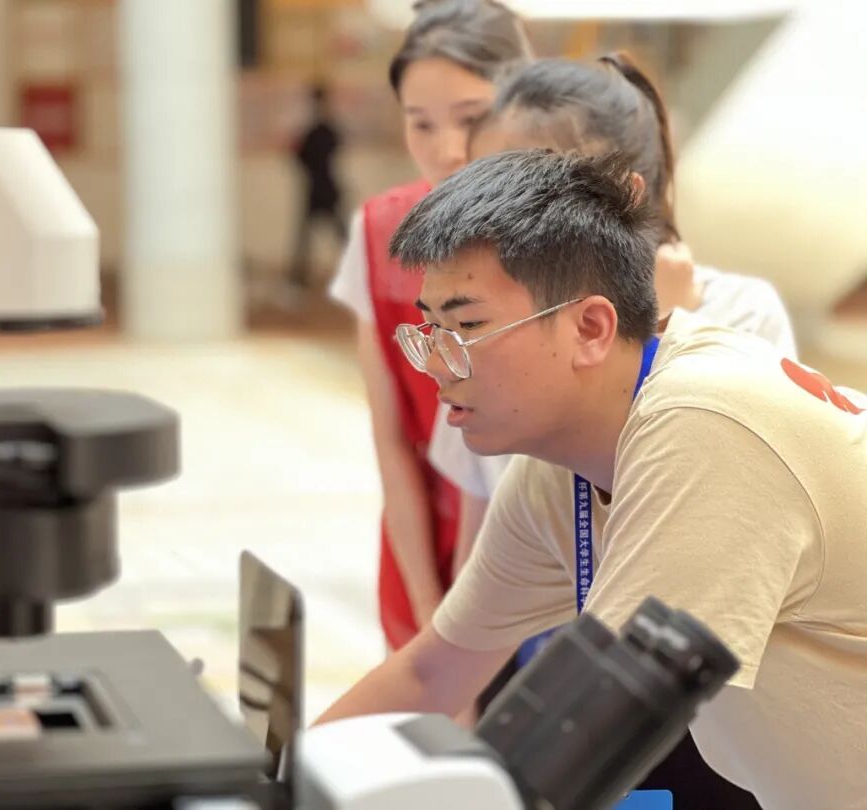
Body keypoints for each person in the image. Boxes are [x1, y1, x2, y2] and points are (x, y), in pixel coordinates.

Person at [318, 149, 867, 810]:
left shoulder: (700, 424)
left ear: (590, 328)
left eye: (465, 328)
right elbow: (431, 672)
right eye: (428, 330)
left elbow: (578, 742)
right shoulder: (562, 466)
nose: (437, 365)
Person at [432, 54, 797, 580]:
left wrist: (661, 330)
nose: (488, 218)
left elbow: (712, 507)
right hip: (530, 642)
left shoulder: (737, 313)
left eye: (525, 190)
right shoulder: (478, 330)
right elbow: (479, 538)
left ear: (623, 195)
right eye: (481, 186)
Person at [329, 0, 532, 650]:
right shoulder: (381, 233)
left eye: (471, 121)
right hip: (430, 548)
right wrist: (427, 607)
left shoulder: (563, 237)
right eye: (421, 125)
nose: (447, 151)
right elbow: (392, 438)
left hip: (547, 561)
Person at [289, 84, 347, 289]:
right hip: (323, 188)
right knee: (328, 237)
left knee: (316, 237)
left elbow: (299, 156)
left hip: (320, 188)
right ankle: (297, 278)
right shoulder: (321, 129)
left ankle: (298, 278)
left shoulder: (318, 130)